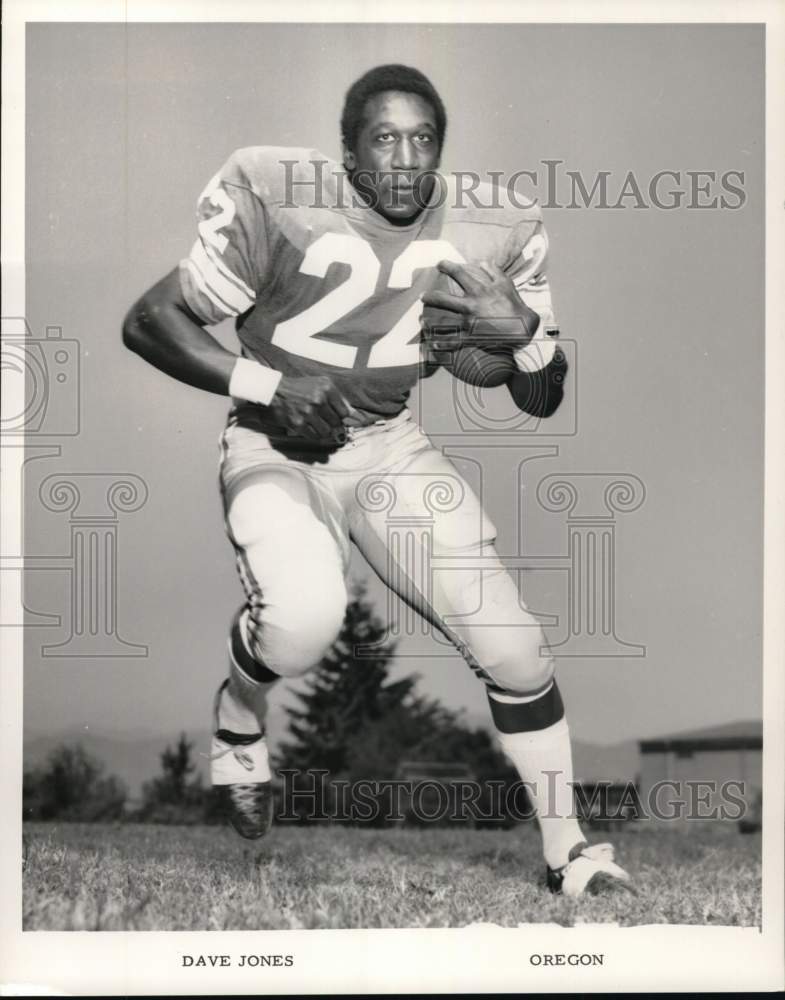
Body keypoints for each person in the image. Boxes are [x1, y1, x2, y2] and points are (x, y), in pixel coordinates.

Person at [123, 64, 630, 897]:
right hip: (274, 444)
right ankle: (241, 711)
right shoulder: (277, 193)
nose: (403, 158)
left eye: (421, 138)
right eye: (382, 138)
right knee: (303, 624)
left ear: (441, 146)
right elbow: (147, 322)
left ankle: (568, 852)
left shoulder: (493, 225)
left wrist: (528, 335)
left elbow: (540, 398)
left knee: (512, 646)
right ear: (348, 151)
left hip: (390, 449)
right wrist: (264, 385)